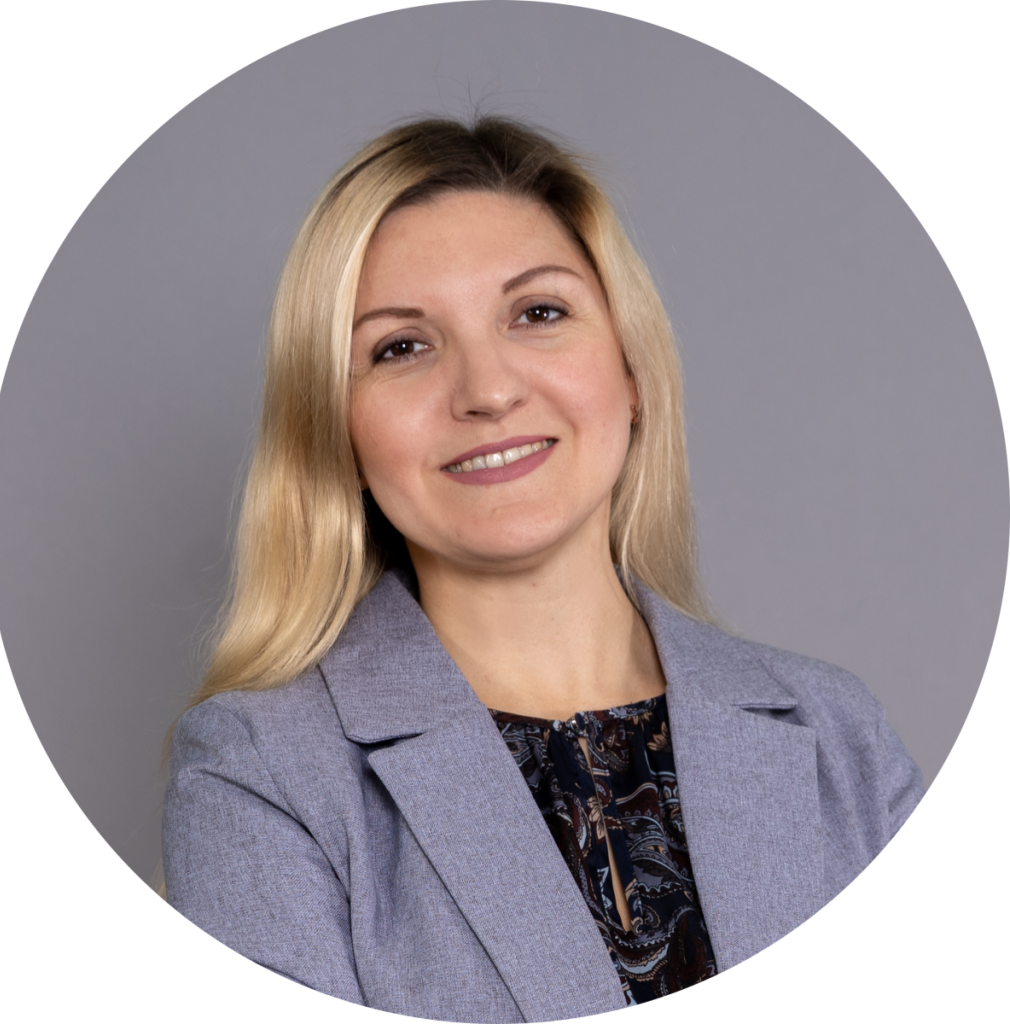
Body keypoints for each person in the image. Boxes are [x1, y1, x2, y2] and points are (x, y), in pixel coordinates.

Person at [162, 116, 925, 1019]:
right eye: (401, 346)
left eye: (538, 313)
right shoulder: (259, 773)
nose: (488, 390)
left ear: (631, 370)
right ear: (338, 431)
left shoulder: (840, 735)